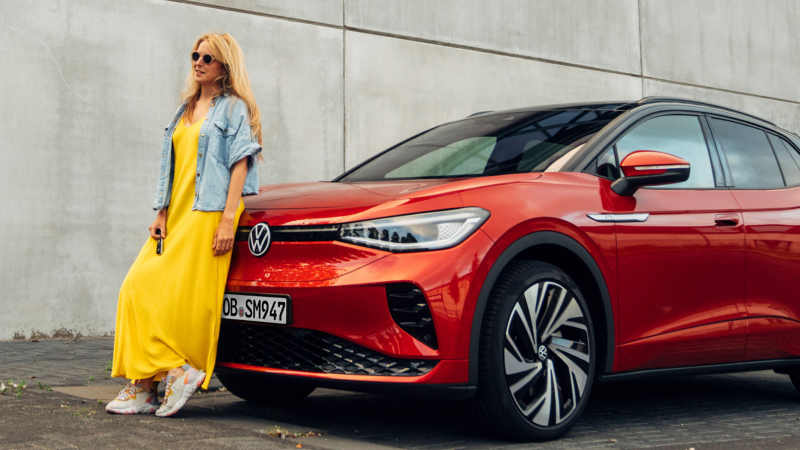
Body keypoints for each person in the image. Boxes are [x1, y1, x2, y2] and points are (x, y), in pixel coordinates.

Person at [105, 33, 263, 416]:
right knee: (136, 289)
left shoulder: (233, 108)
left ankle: (147, 386)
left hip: (208, 214)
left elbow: (241, 161)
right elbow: (173, 166)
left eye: (207, 58)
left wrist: (229, 218)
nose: (198, 62)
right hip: (176, 215)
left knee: (179, 304)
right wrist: (161, 212)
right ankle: (171, 374)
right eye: (195, 55)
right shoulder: (185, 108)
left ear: (224, 66)